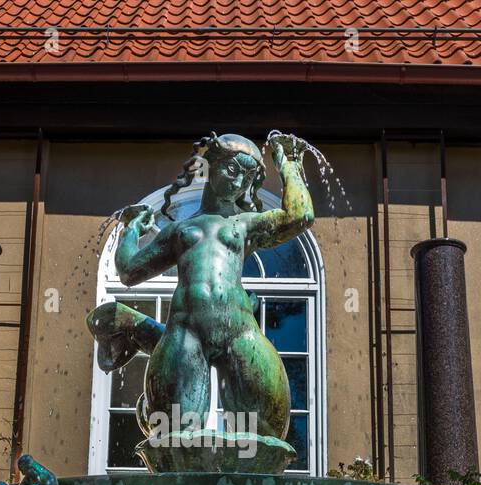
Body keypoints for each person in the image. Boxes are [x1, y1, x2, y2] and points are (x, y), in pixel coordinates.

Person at [86, 132, 314, 442]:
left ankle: (142, 333)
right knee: (176, 441)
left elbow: (300, 216)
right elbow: (128, 272)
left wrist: (287, 164)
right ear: (211, 165)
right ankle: (143, 333)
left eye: (246, 177)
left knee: (263, 441)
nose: (236, 183)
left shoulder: (245, 224)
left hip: (240, 332)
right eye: (231, 170)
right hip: (185, 333)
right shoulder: (181, 229)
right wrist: (131, 230)